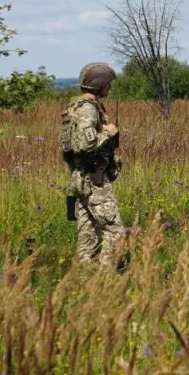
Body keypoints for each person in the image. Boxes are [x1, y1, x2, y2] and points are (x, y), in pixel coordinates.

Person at [60, 61, 124, 265]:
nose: (110, 87)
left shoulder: (75, 106)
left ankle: (84, 274)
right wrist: (109, 132)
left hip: (78, 178)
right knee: (115, 231)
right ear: (99, 84)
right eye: (108, 83)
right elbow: (86, 144)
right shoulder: (88, 109)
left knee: (87, 230)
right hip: (94, 178)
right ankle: (106, 278)